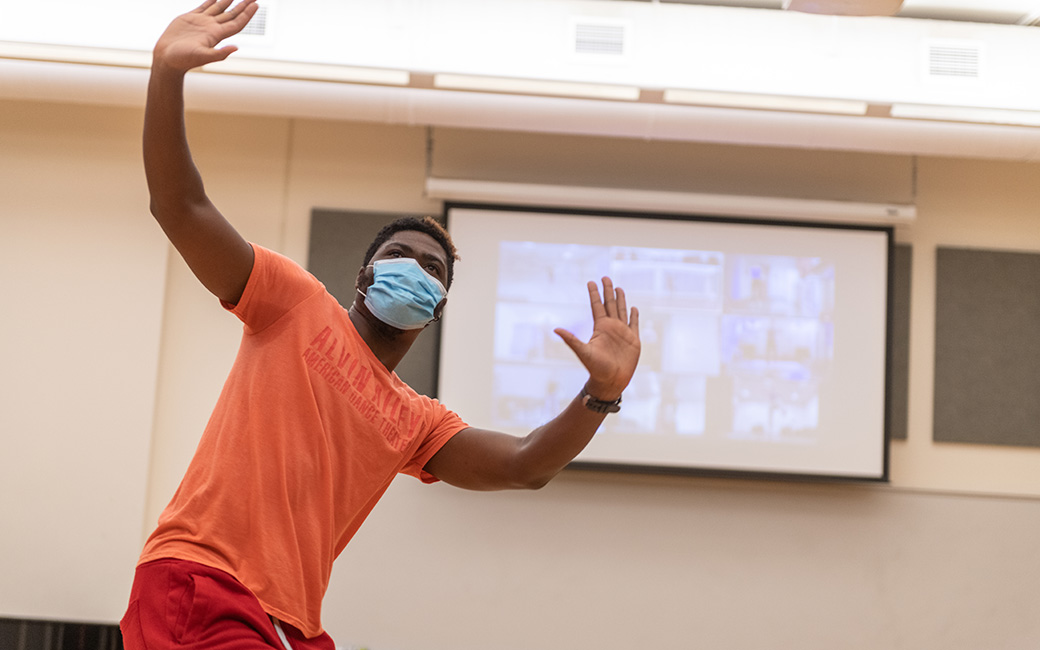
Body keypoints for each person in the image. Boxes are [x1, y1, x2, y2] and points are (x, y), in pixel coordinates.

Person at [120, 2, 641, 649]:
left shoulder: (414, 420)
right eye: (400, 256)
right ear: (364, 276)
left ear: (437, 308)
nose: (415, 269)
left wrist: (602, 395)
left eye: (433, 269)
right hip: (204, 578)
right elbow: (179, 205)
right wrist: (165, 74)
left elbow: (526, 464)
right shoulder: (294, 304)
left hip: (290, 621)